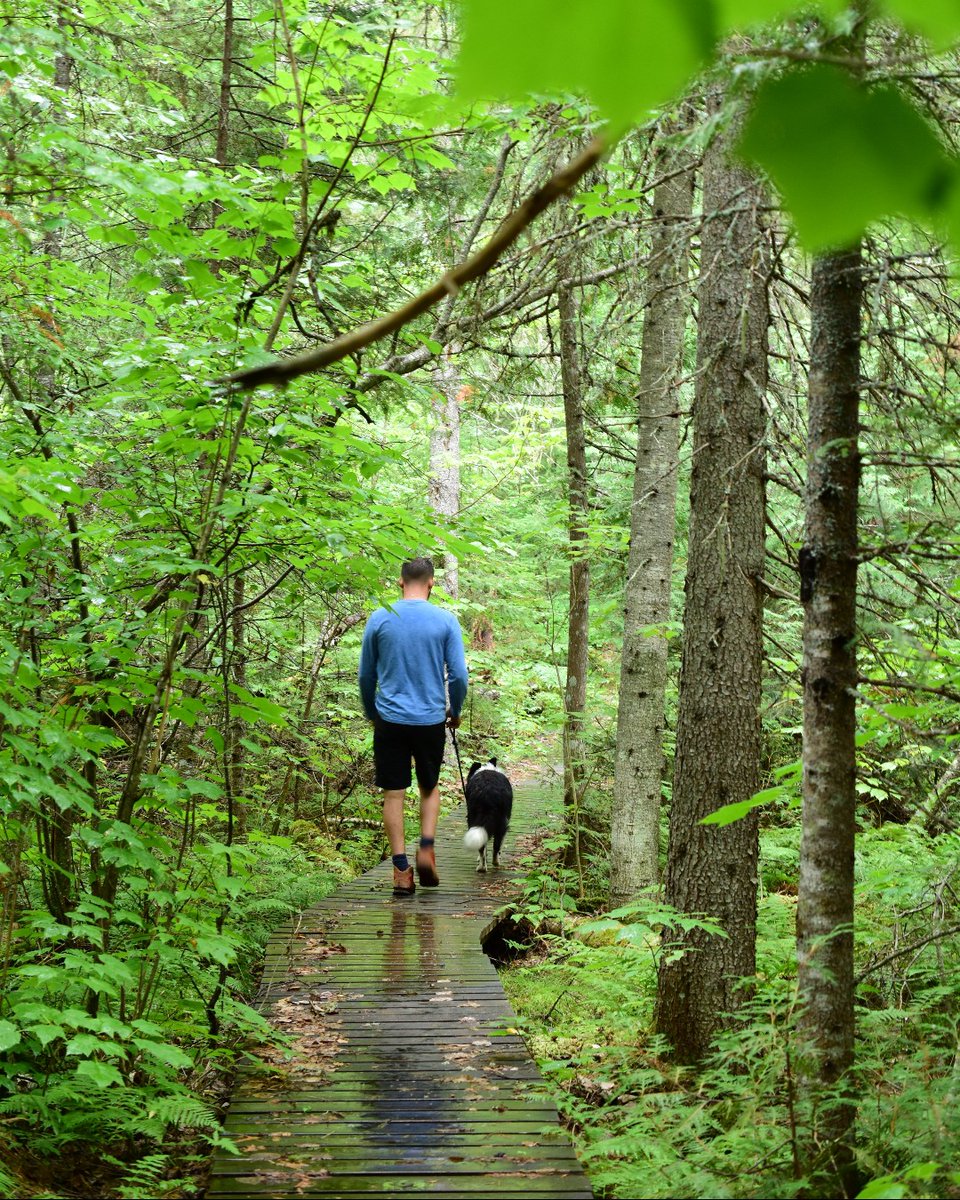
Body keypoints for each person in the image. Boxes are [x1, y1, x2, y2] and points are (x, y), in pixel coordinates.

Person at [358, 557, 468, 896]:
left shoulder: (380, 618)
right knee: (429, 786)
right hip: (430, 719)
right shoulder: (445, 620)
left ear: (399, 582)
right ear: (432, 583)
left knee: (394, 792)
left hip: (389, 719)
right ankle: (427, 848)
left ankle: (401, 870)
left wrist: (371, 711)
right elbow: (460, 676)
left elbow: (366, 675)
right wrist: (456, 710)